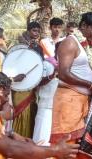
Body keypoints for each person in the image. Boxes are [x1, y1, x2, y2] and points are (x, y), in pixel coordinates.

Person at [0, 68, 79, 159]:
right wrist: (56, 150)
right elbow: (10, 149)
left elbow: (8, 142)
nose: (2, 100)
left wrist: (31, 146)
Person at [50, 12, 92, 145]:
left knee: (75, 145)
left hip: (79, 101)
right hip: (68, 100)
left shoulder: (85, 46)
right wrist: (90, 85)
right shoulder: (70, 42)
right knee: (64, 145)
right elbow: (63, 74)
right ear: (84, 25)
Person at [33, 17, 64, 145]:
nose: (56, 29)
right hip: (46, 91)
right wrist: (54, 70)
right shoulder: (44, 42)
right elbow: (41, 65)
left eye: (59, 27)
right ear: (50, 27)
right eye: (54, 27)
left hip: (59, 91)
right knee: (42, 119)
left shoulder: (65, 42)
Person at [13, 21, 43, 138]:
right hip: (18, 82)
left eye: (38, 31)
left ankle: (25, 138)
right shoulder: (18, 45)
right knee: (17, 107)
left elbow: (39, 64)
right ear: (28, 31)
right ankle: (14, 137)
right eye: (34, 31)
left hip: (31, 83)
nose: (36, 33)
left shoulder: (39, 48)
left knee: (29, 109)